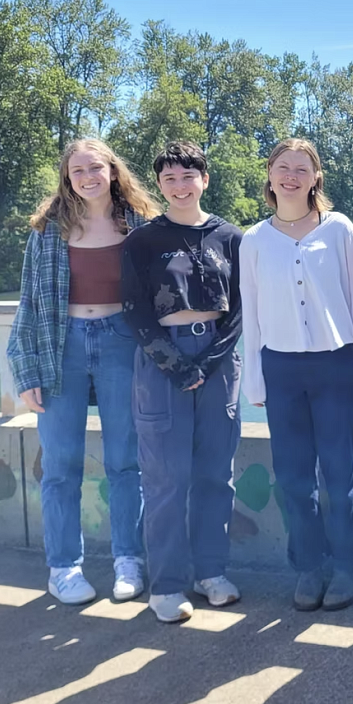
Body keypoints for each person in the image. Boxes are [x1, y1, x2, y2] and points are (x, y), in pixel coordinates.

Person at [7, 139, 161, 605]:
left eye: (96, 167)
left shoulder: (141, 226)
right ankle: (63, 568)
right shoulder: (48, 230)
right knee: (60, 465)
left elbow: (160, 296)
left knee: (125, 462)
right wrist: (26, 370)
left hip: (121, 343)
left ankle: (128, 561)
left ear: (113, 171)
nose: (88, 176)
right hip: (62, 345)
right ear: (67, 177)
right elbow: (30, 303)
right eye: (78, 170)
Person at [240, 138, 353, 612]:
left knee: (341, 471)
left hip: (333, 363)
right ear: (270, 174)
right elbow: (252, 313)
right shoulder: (255, 240)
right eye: (284, 167)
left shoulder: (338, 229)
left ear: (315, 177)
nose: (292, 176)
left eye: (302, 168)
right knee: (294, 476)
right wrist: (255, 381)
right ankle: (308, 565)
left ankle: (347, 564)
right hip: (281, 369)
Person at [120, 141, 244, 624]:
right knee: (166, 478)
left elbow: (239, 309)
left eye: (188, 176)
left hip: (218, 360)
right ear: (160, 185)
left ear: (204, 180)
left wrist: (210, 361)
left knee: (216, 472)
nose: (179, 185)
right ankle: (167, 584)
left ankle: (211, 573)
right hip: (161, 362)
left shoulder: (230, 237)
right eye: (169, 178)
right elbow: (133, 309)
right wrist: (174, 364)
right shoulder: (143, 241)